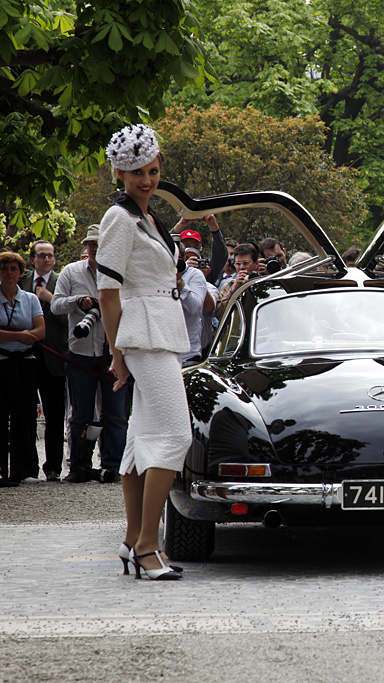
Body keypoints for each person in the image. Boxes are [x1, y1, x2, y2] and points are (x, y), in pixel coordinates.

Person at [97, 124, 190, 580]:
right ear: (118, 172)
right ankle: (150, 546)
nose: (146, 180)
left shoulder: (148, 217)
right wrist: (117, 354)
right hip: (142, 334)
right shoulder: (118, 217)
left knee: (140, 441)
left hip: (160, 332)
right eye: (135, 173)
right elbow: (107, 292)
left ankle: (133, 540)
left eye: (151, 171)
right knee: (177, 436)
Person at [52, 225, 130, 483]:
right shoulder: (71, 271)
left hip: (113, 354)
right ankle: (79, 465)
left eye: (99, 244)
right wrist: (79, 301)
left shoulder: (122, 273)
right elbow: (55, 305)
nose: (95, 249)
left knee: (116, 414)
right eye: (91, 244)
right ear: (86, 247)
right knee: (80, 415)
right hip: (81, 353)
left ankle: (112, 466)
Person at [20, 239, 67, 481]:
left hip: (54, 356)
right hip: (24, 354)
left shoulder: (63, 282)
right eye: (41, 255)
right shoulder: (21, 281)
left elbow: (71, 321)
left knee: (55, 414)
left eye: (50, 255)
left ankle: (53, 468)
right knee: (26, 411)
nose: (46, 259)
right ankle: (28, 467)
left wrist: (50, 299)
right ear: (32, 259)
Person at [0, 251, 45, 487]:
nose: (9, 273)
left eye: (13, 269)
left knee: (24, 415)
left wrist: (14, 337)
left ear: (20, 273)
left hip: (25, 363)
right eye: (4, 268)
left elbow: (40, 330)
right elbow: (28, 333)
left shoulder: (30, 299)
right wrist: (20, 335)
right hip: (1, 363)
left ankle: (24, 469)